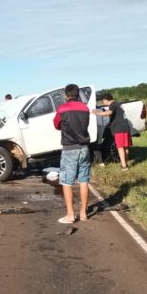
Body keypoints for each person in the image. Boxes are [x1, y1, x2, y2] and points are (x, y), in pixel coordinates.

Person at [53, 84, 91, 224]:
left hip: (70, 149)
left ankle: (70, 215)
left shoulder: (62, 109)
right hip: (84, 148)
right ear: (78, 94)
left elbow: (56, 125)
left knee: (66, 182)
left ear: (66, 95)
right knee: (83, 180)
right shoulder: (85, 108)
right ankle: (83, 213)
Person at [93, 93, 131, 170]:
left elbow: (109, 112)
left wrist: (97, 113)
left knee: (120, 147)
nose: (102, 103)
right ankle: (125, 163)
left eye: (102, 101)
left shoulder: (113, 104)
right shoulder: (118, 103)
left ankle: (123, 166)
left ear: (106, 100)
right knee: (125, 147)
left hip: (118, 128)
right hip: (125, 127)